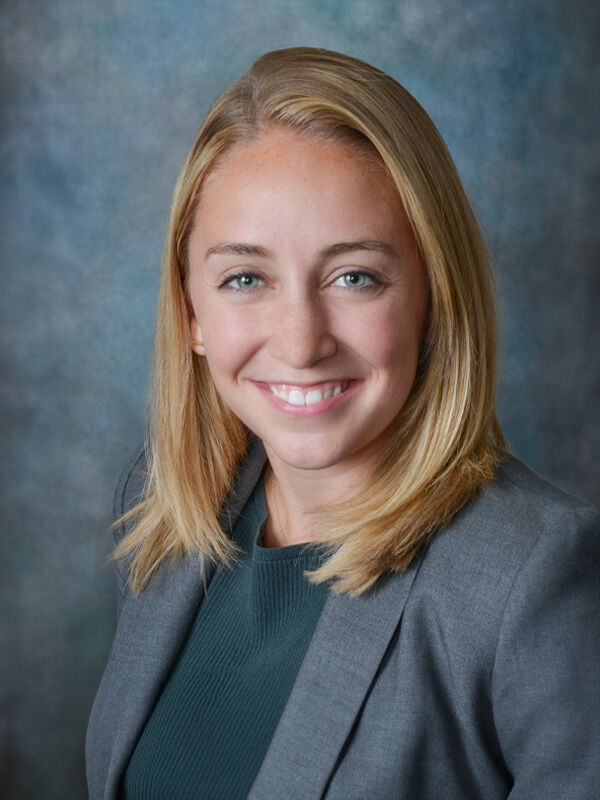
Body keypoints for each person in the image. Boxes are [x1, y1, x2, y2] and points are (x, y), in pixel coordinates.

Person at [86, 47, 599, 799]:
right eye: (245, 279)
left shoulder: (535, 580)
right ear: (191, 312)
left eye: (354, 276)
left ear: (433, 298)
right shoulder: (162, 512)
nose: (301, 341)